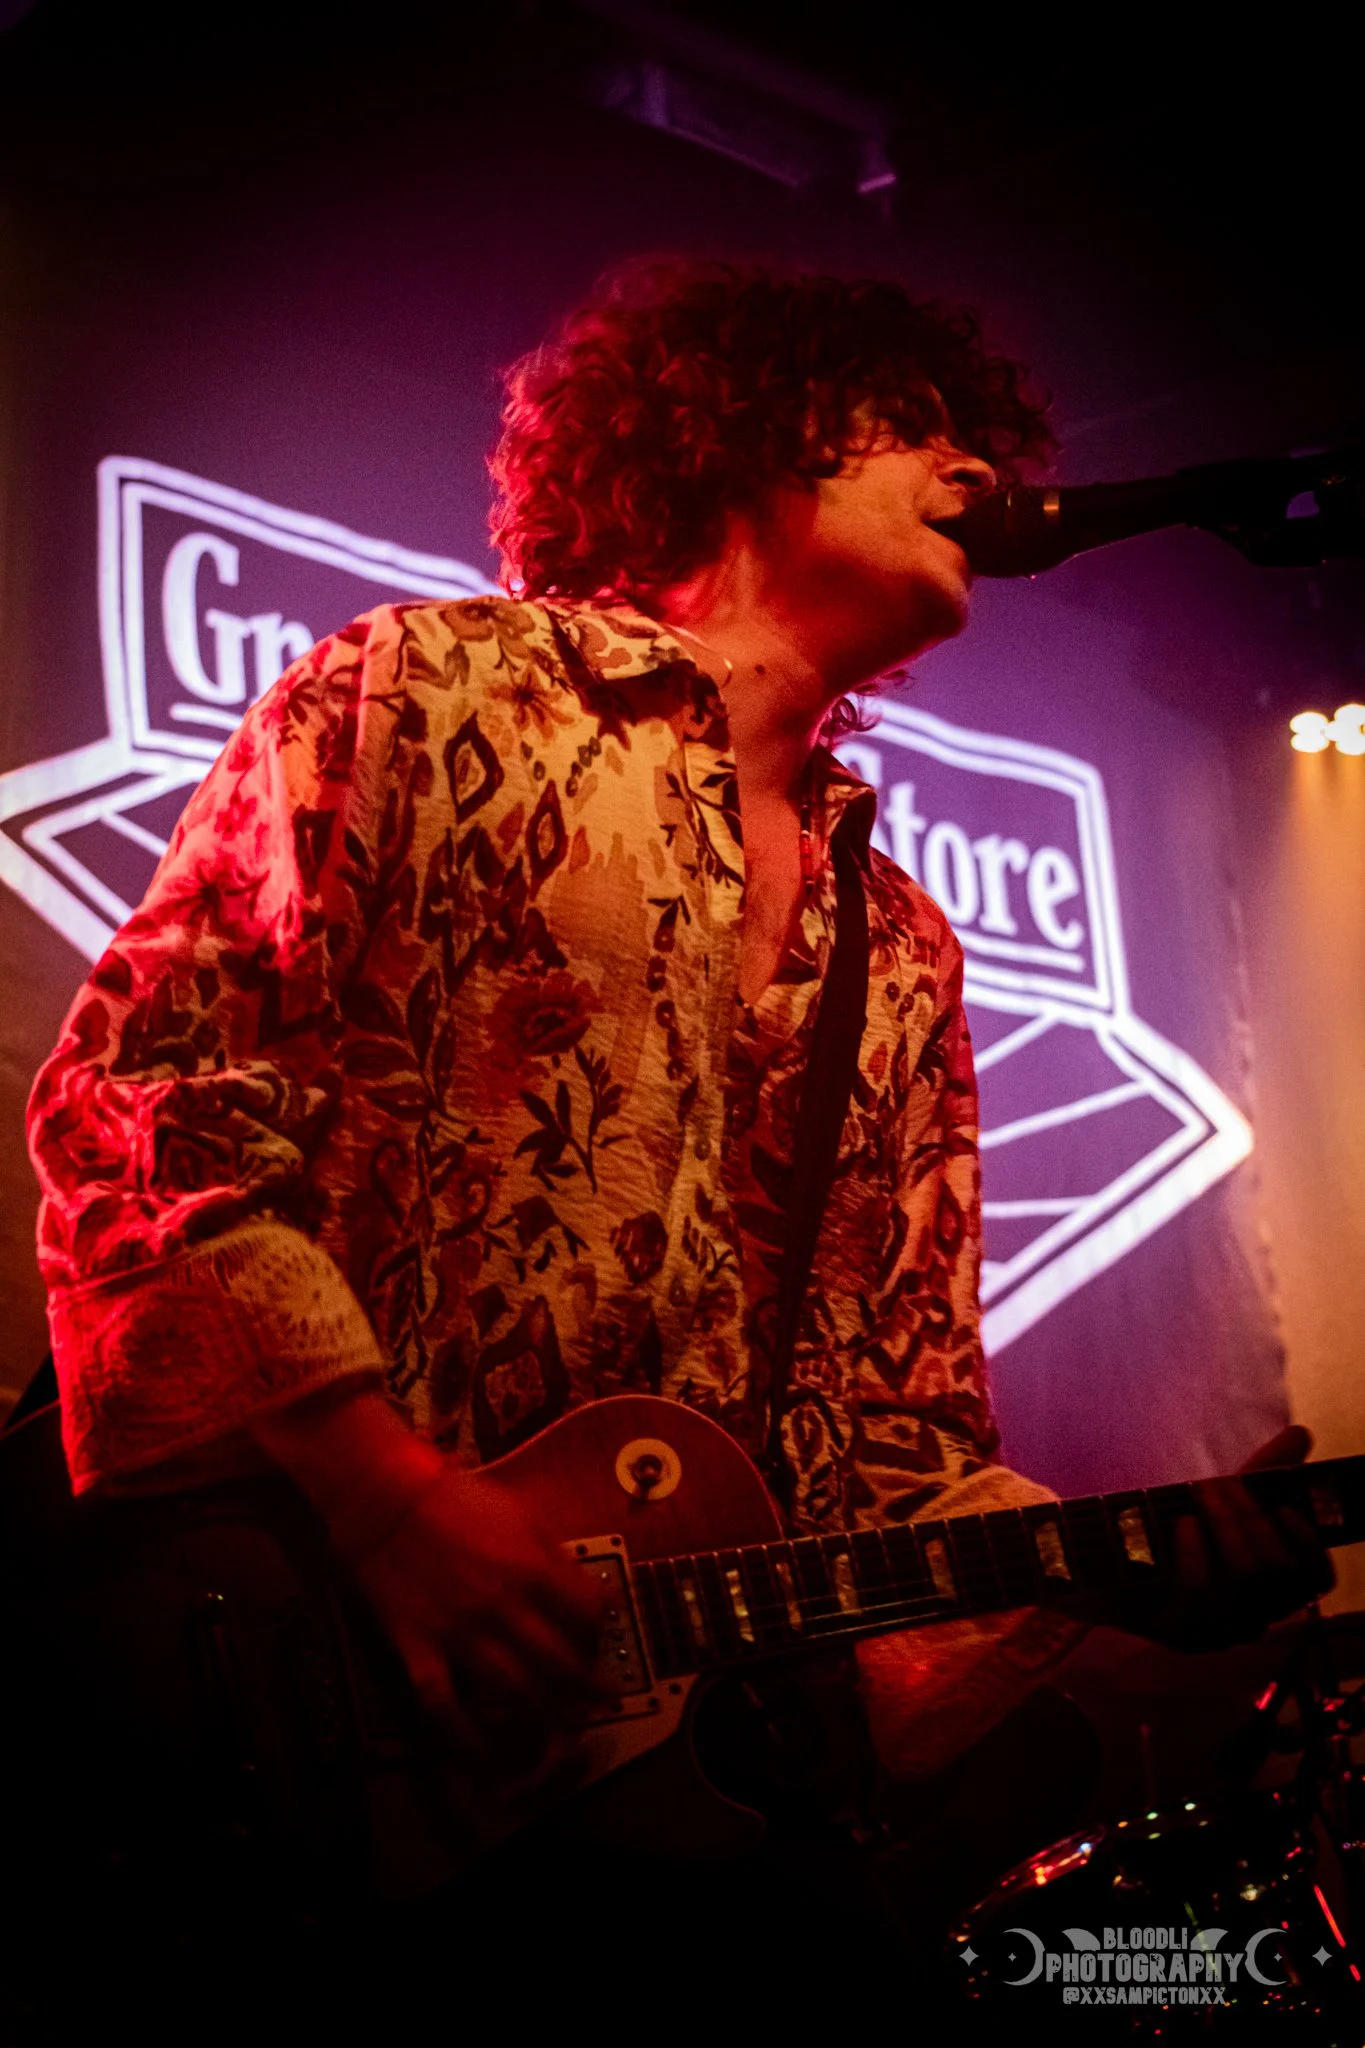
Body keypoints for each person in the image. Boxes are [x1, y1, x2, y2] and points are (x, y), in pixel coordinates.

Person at [24, 258, 1329, 2014]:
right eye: (914, 426)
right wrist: (394, 1502)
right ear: (747, 432)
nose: (973, 475)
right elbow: (143, 1103)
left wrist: (1106, 1578)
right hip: (279, 1690)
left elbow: (894, 1431)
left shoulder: (908, 943)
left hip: (645, 1808)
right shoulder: (431, 688)